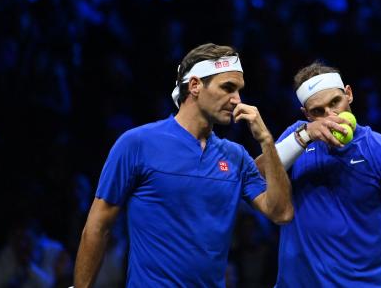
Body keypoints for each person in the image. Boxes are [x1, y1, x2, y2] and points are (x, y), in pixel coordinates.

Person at [73, 43, 293, 287]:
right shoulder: (136, 144)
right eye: (227, 88)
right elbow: (97, 225)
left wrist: (266, 141)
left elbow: (281, 212)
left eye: (239, 90)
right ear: (195, 86)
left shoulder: (236, 156)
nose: (237, 100)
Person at [256, 61, 381, 287]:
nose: (331, 115)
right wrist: (303, 138)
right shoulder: (295, 139)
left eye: (335, 102)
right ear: (306, 114)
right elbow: (253, 175)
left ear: (349, 94)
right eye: (318, 111)